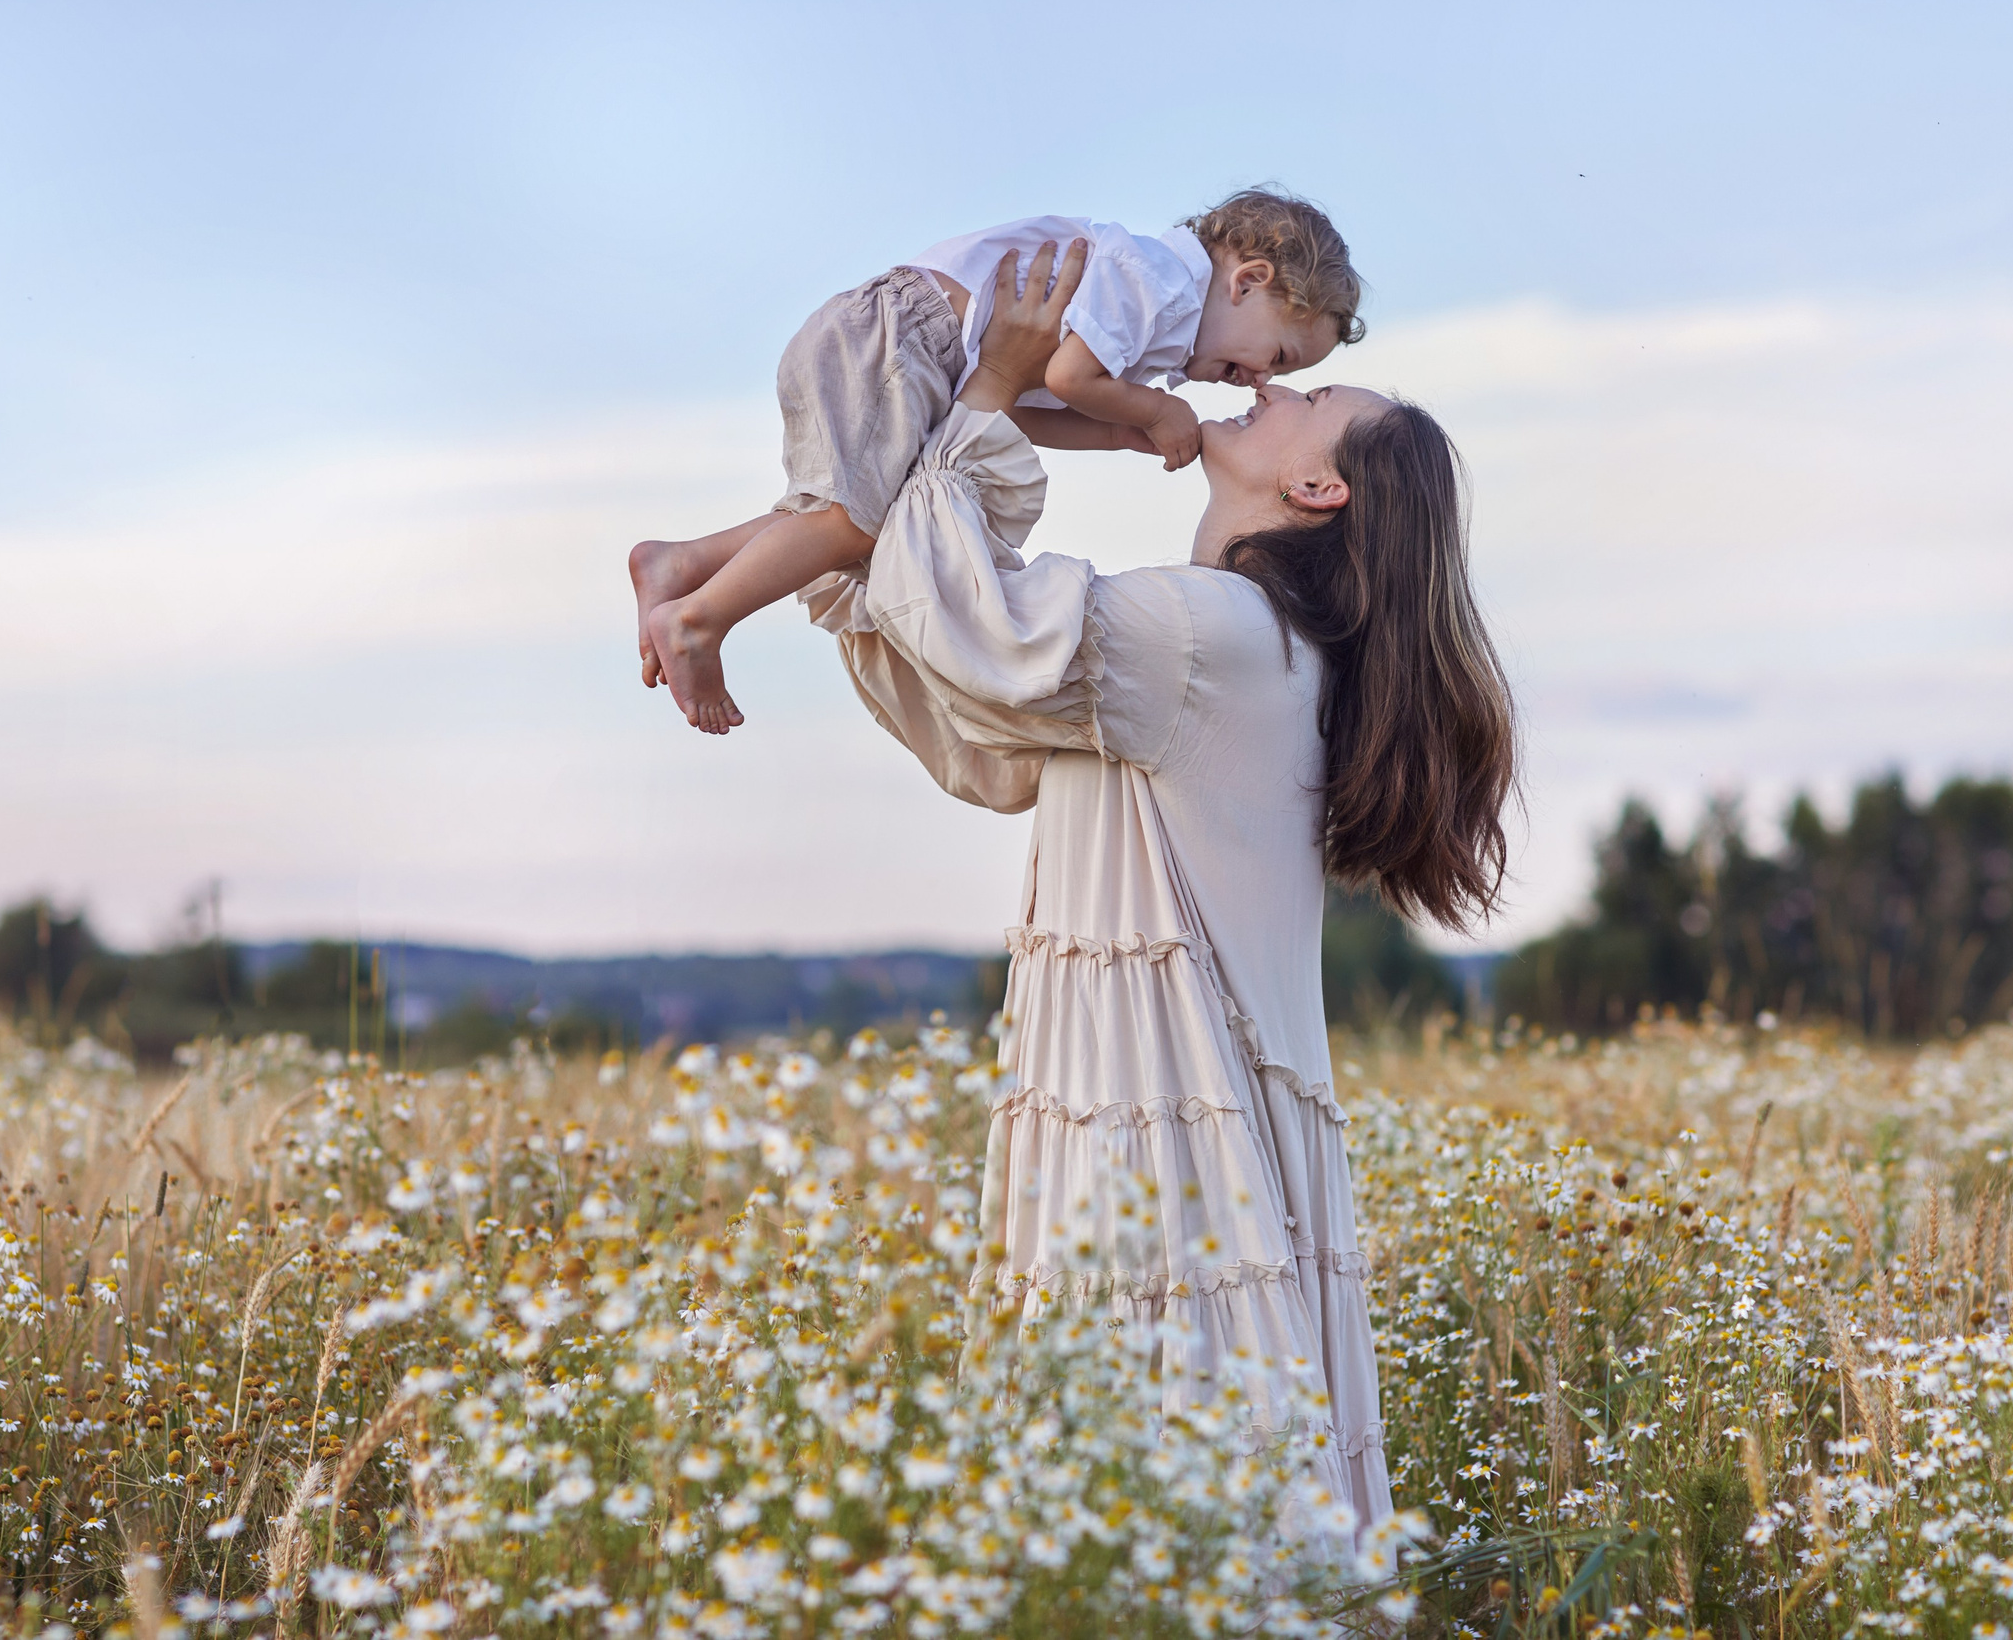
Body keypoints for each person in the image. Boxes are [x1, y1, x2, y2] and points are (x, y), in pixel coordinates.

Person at [798, 244, 1516, 1527]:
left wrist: (978, 396)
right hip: (1162, 1118)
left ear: (1313, 488)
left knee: (1145, 1493)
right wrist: (861, 538)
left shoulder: (1213, 635)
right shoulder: (1262, 649)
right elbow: (981, 724)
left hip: (1152, 1129)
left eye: (1311, 403)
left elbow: (979, 632)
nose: (1276, 391)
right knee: (1177, 1496)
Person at [631, 192, 1366, 733]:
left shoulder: (1149, 325)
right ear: (1249, 280)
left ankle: (683, 562)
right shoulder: (1159, 282)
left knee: (848, 517)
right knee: (849, 526)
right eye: (1279, 356)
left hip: (912, 352)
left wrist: (1115, 434)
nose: (1263, 381)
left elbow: (1017, 403)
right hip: (897, 337)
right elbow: (1074, 379)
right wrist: (1148, 412)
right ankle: (700, 618)